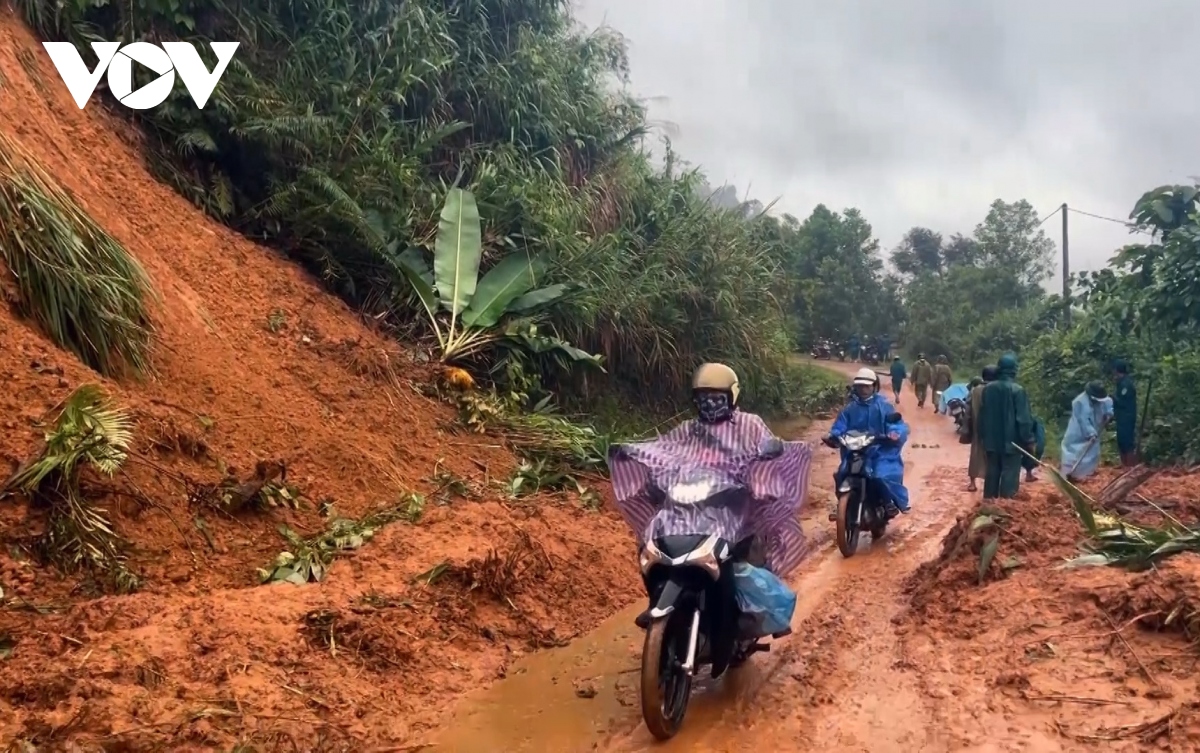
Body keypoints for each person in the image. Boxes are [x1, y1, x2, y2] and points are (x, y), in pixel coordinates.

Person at [826, 368, 909, 515]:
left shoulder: (884, 406)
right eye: (860, 386)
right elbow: (840, 425)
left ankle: (888, 501)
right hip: (855, 450)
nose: (863, 389)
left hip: (880, 450)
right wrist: (834, 436)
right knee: (841, 473)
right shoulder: (850, 408)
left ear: (874, 386)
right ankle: (841, 503)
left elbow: (897, 424)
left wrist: (894, 433)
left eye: (867, 386)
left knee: (880, 474)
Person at [978, 354, 1036, 499]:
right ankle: (1007, 506)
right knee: (1009, 475)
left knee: (992, 473)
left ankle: (988, 504)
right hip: (1012, 443)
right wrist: (1029, 440)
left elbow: (982, 416)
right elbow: (1024, 420)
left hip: (991, 442)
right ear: (1013, 370)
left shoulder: (988, 389)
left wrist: (983, 437)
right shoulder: (1018, 390)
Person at [1060, 381, 1111, 482]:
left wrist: (1109, 414)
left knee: (1091, 453)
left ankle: (1086, 474)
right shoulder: (1079, 402)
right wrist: (1090, 433)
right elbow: (1083, 419)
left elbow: (1108, 406)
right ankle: (1069, 474)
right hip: (1078, 430)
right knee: (1072, 452)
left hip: (1095, 428)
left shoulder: (1104, 399)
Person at [966, 366, 995, 492]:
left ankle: (972, 483)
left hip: (977, 427)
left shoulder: (975, 390)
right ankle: (991, 483)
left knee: (975, 455)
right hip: (993, 429)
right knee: (992, 457)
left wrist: (967, 427)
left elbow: (968, 410)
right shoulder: (995, 390)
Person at [1112, 359, 1138, 467]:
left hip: (1127, 417)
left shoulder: (1126, 384)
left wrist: (1113, 398)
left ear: (1117, 371)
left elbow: (1123, 401)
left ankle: (1130, 466)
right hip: (1121, 417)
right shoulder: (1121, 383)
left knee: (1127, 441)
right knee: (1121, 441)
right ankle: (1124, 466)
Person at [1022, 415, 1046, 482]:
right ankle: (1029, 473)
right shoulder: (1037, 421)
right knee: (1029, 446)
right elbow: (1041, 443)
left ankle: (1028, 473)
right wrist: (1037, 459)